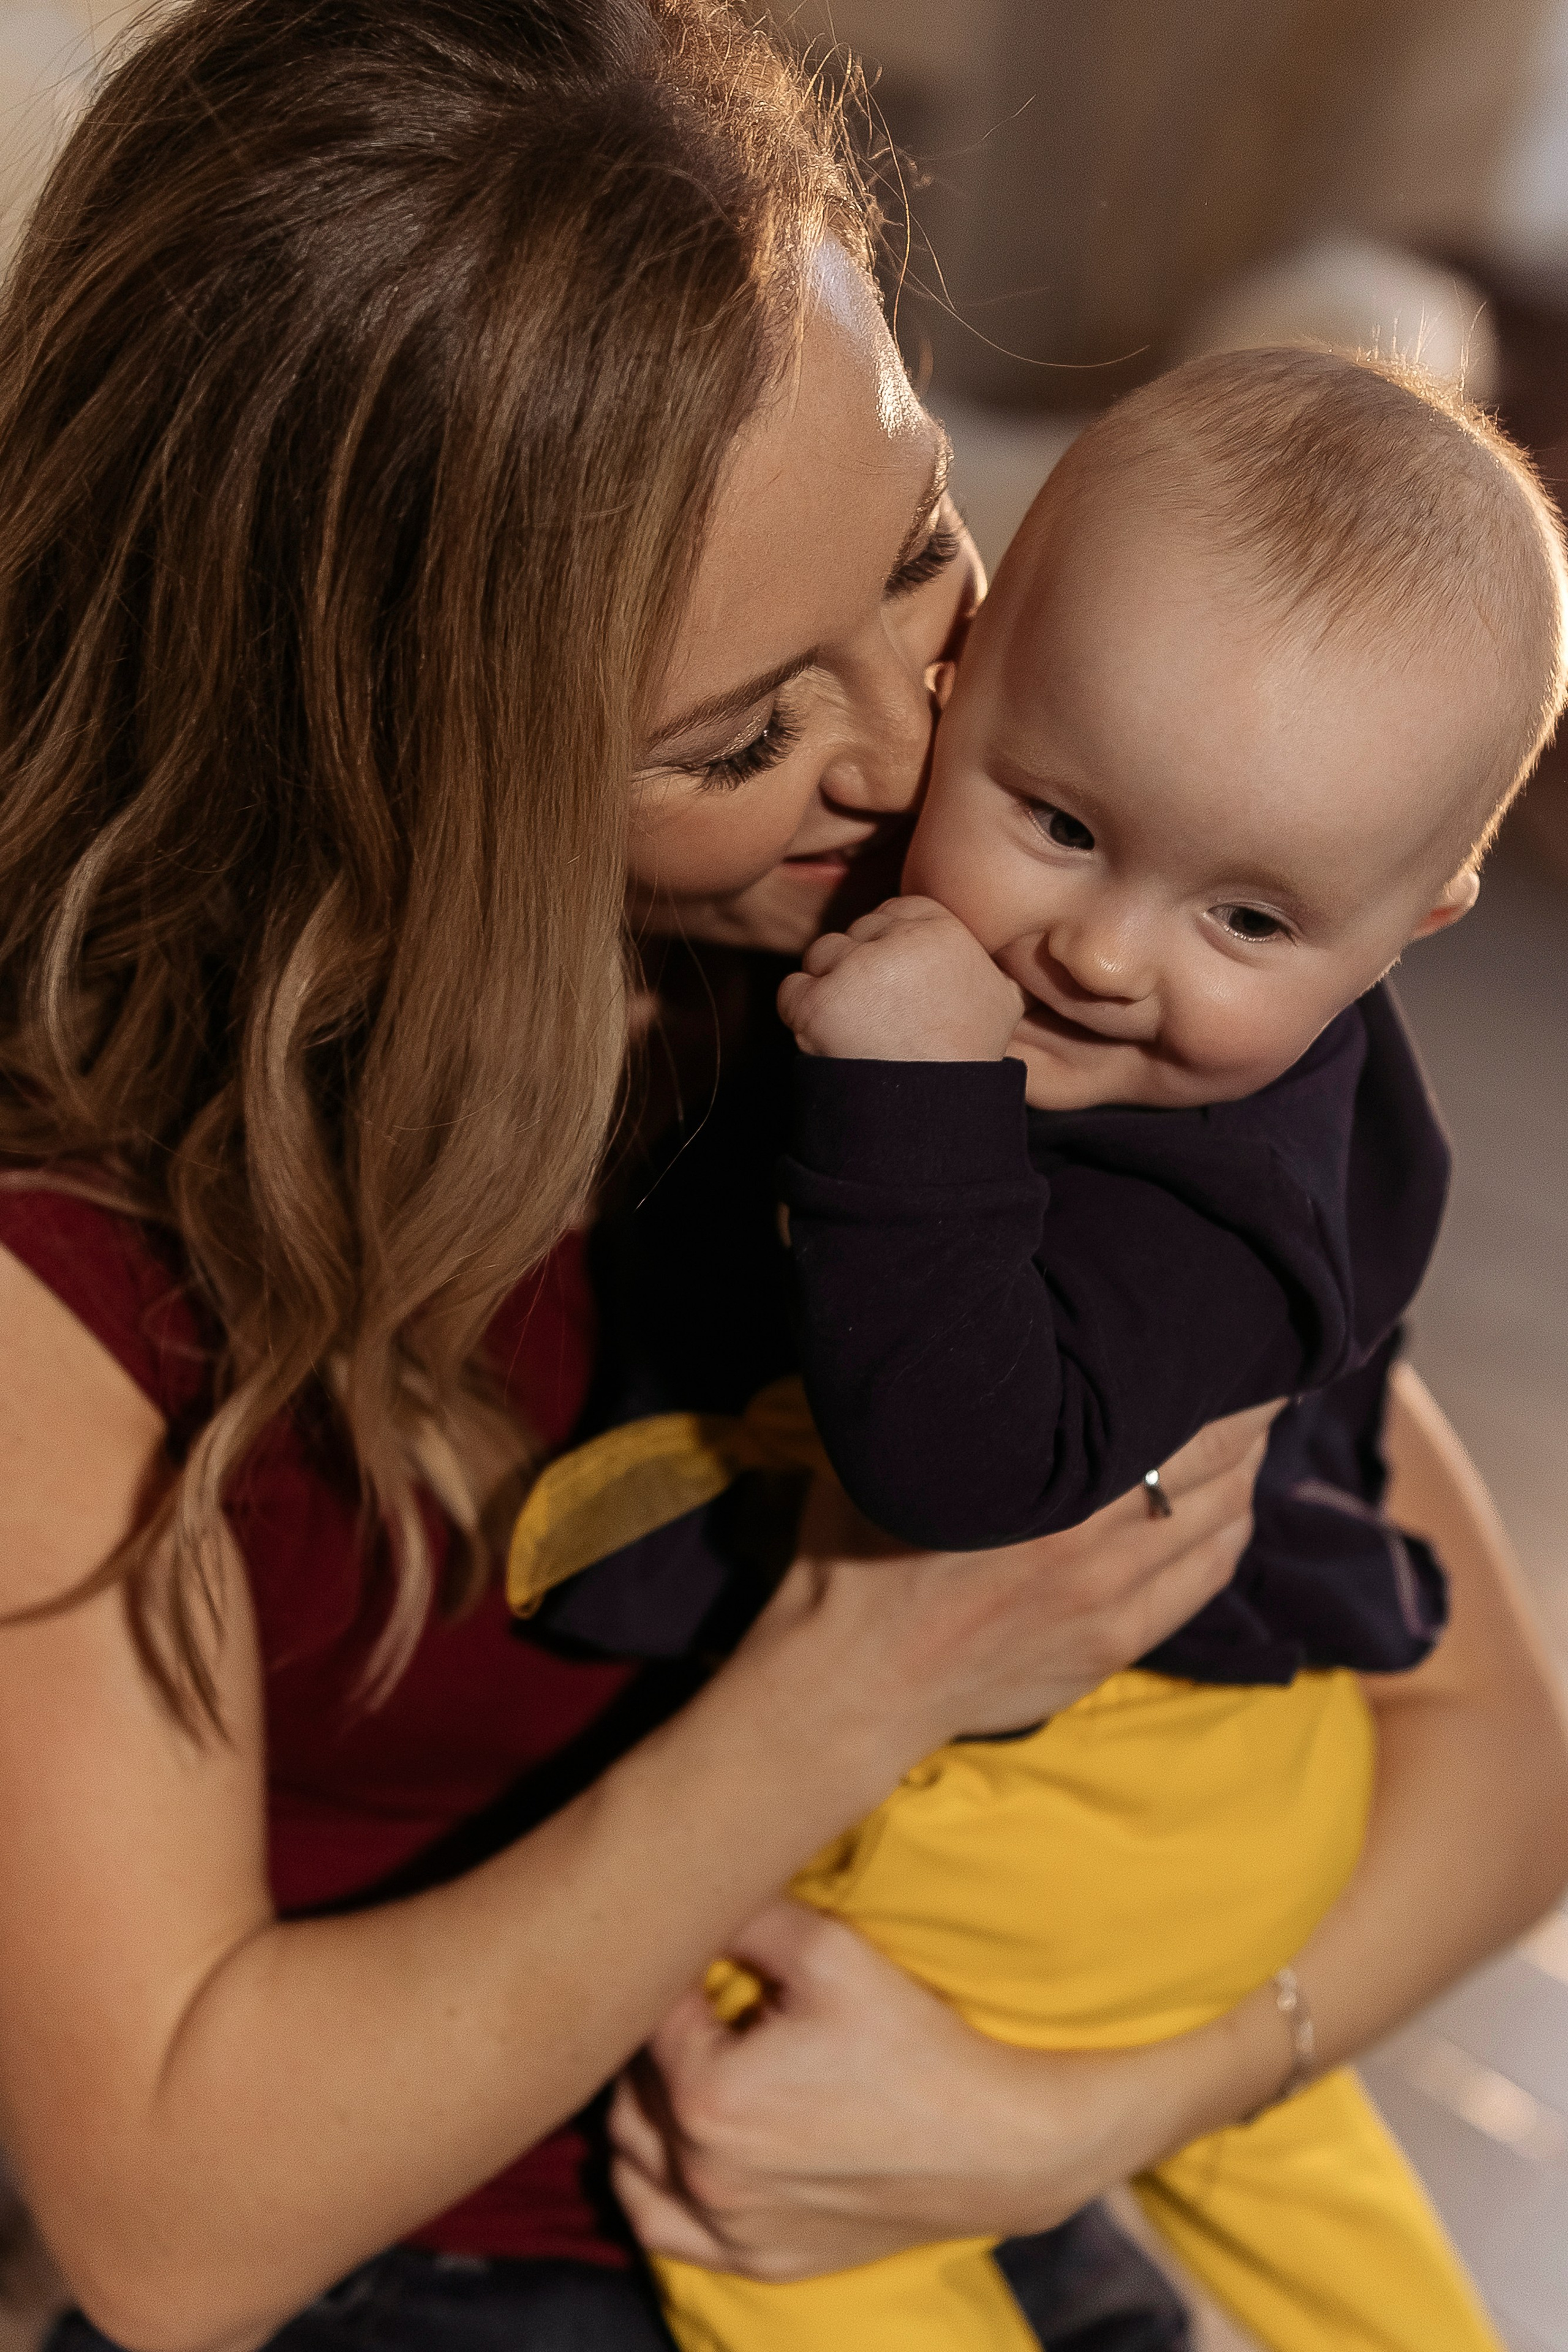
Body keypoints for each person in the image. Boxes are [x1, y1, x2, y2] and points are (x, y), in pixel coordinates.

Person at [0, 9, 1562, 2352]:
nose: (920, 746)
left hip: (967, 2131)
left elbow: (1496, 1761)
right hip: (470, 2253)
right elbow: (172, 2235)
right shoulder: (78, 1245)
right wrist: (863, 1675)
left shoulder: (1004, 930)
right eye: (742, 733)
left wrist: (1064, 2123)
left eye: (925, 553)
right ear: (387, 761)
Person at [502, 353, 1568, 2350]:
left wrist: (912, 1097)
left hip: (1084, 1825)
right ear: (964, 683)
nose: (1102, 953)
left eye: (1247, 923)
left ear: (1415, 923)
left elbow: (965, 1471)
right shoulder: (1243, 1038)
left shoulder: (1223, 1203)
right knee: (1311, 2206)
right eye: (1061, 820)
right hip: (1231, 1814)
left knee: (772, 2211)